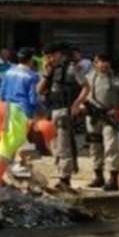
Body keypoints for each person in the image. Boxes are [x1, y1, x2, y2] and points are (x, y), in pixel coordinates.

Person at [73, 54, 119, 191]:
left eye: (106, 62)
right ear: (95, 64)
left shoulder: (116, 79)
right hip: (92, 118)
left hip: (109, 118)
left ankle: (113, 179)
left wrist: (118, 110)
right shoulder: (89, 77)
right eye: (101, 62)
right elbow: (83, 93)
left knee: (111, 147)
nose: (104, 65)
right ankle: (98, 176)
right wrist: (81, 105)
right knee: (95, 147)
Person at [38, 42, 88, 190]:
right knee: (54, 145)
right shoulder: (50, 70)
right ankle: (61, 172)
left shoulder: (72, 68)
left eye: (50, 56)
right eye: (46, 57)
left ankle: (65, 179)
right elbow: (39, 90)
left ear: (58, 54)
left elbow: (86, 87)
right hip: (53, 110)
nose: (49, 59)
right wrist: (46, 74)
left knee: (64, 145)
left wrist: (77, 104)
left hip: (65, 110)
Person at [0, 48, 41, 118]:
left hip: (8, 109)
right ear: (31, 59)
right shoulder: (33, 76)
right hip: (24, 111)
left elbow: (2, 92)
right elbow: (33, 99)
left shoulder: (8, 72)